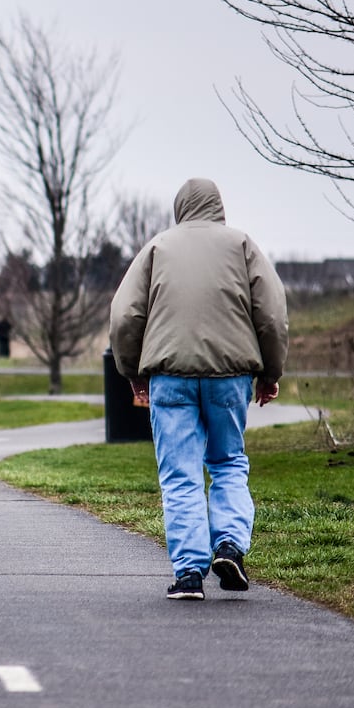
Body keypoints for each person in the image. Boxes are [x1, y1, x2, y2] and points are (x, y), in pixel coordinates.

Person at [108, 178, 288, 601]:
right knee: (227, 462)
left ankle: (189, 573)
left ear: (181, 208)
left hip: (170, 376)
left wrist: (132, 371)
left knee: (180, 474)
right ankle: (229, 546)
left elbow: (124, 315)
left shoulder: (157, 248)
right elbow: (272, 313)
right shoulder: (242, 245)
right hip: (229, 377)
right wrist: (270, 371)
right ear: (218, 207)